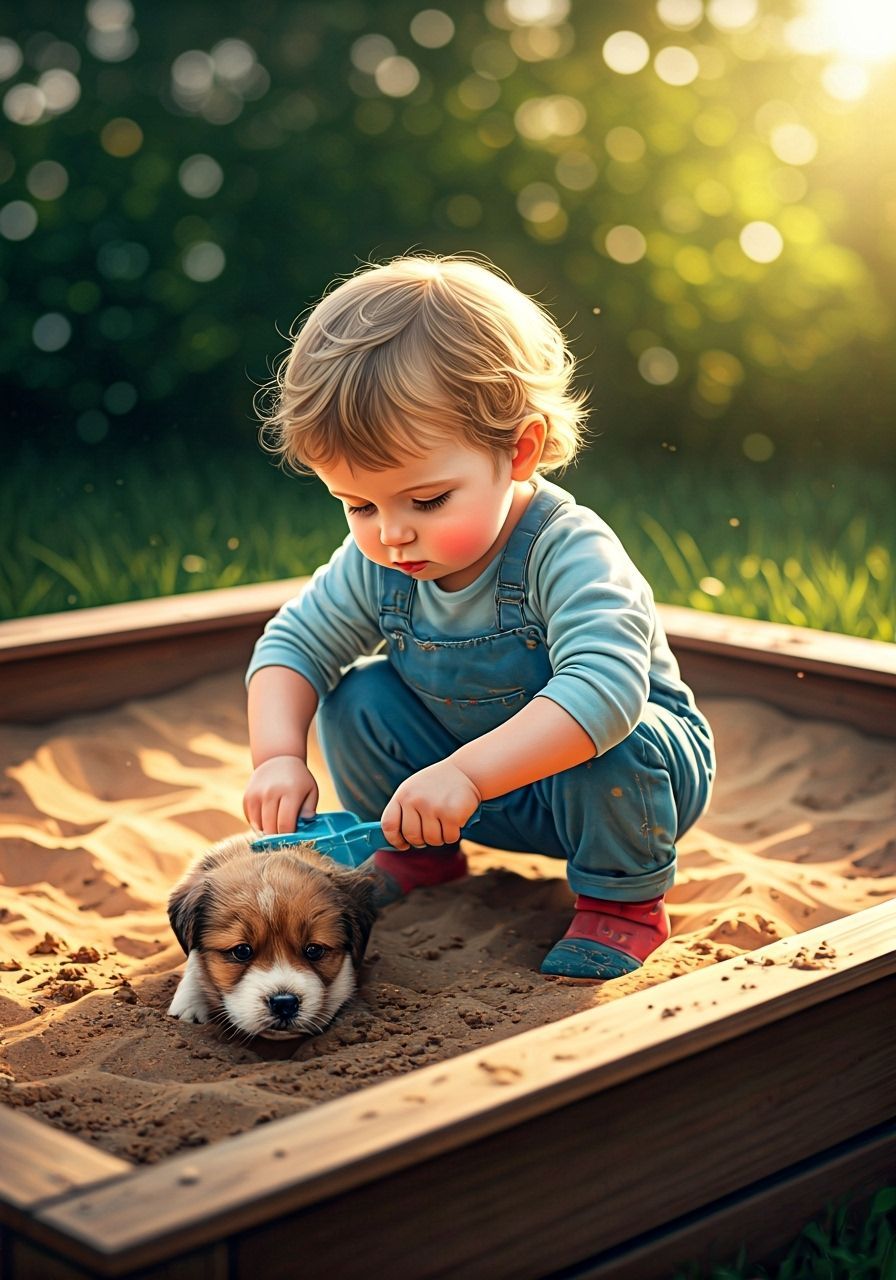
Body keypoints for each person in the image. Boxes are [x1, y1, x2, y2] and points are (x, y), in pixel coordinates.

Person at [243, 255, 715, 981]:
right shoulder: (381, 561)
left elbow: (606, 688)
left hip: (613, 793)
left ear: (518, 451)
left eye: (426, 501)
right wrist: (277, 755)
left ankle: (624, 903)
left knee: (622, 742)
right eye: (360, 505)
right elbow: (294, 643)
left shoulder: (567, 549)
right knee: (357, 697)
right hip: (460, 793)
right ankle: (421, 853)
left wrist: (466, 773)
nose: (391, 533)